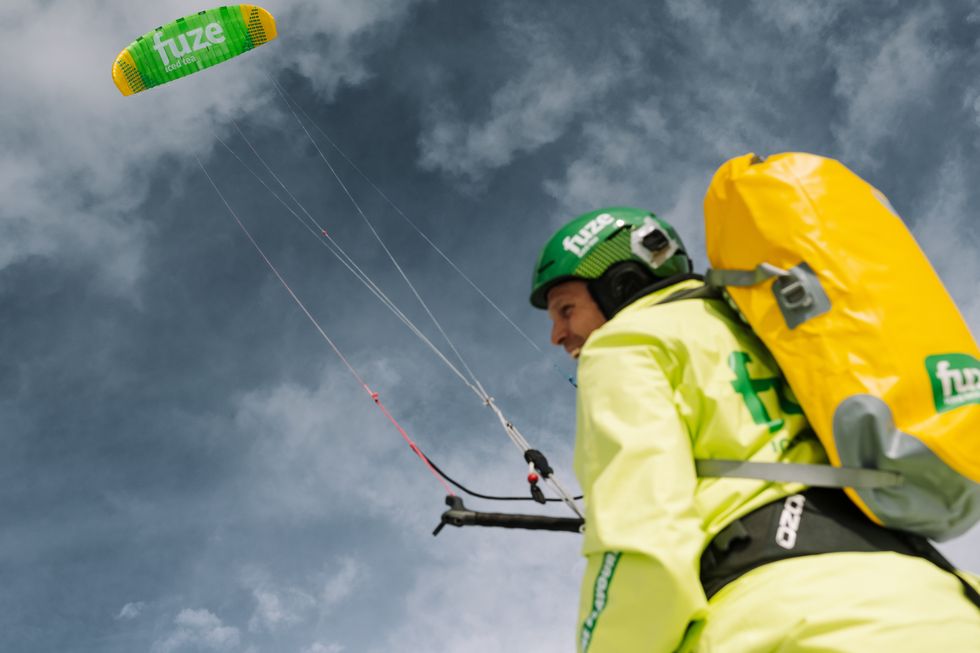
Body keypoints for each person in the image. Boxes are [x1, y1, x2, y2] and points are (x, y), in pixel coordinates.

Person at [529, 206, 980, 652]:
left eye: (565, 309)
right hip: (943, 603)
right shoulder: (774, 328)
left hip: (786, 624)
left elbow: (641, 540)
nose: (557, 335)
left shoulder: (626, 342)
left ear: (619, 285)